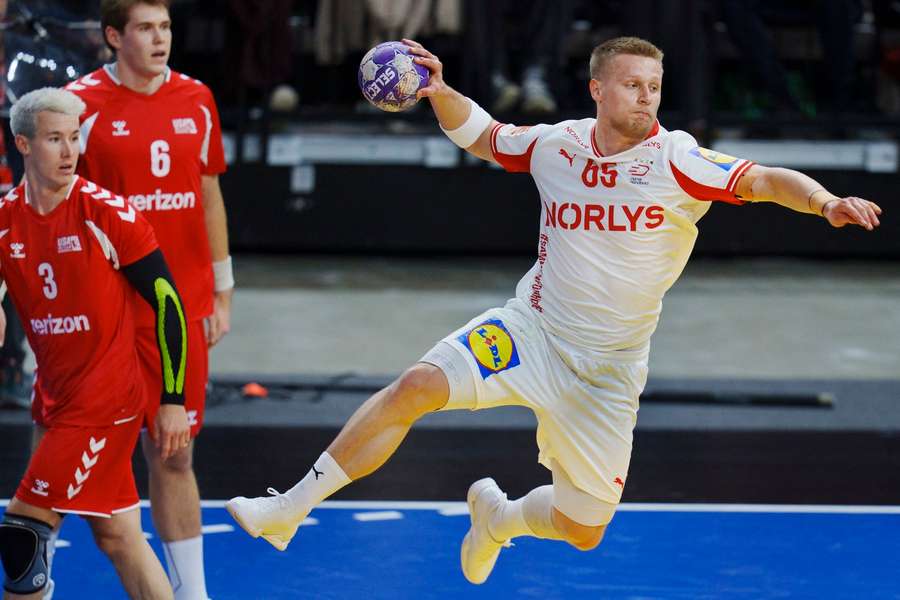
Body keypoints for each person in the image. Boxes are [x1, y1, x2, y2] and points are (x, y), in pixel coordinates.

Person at [226, 36, 882, 584]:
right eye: (632, 84)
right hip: (532, 331)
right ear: (597, 89)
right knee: (416, 386)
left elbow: (764, 181)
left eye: (654, 85)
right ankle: (287, 508)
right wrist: (436, 91)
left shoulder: (677, 160)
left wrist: (824, 201)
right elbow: (484, 136)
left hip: (608, 371)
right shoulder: (557, 145)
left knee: (583, 530)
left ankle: (500, 519)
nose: (647, 96)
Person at [42, 1, 232, 597]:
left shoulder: (198, 99)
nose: (160, 39)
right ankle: (32, 582)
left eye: (167, 27)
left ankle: (192, 594)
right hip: (105, 315)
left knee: (175, 456)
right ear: (112, 36)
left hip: (178, 310)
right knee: (74, 459)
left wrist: (221, 288)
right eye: (146, 28)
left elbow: (208, 195)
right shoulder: (78, 106)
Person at [0, 87, 189, 599]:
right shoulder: (5, 221)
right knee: (118, 535)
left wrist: (172, 400)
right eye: (54, 139)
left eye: (74, 138)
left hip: (106, 401)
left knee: (24, 532)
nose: (69, 151)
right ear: (22, 144)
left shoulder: (106, 214)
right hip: (54, 398)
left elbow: (169, 303)